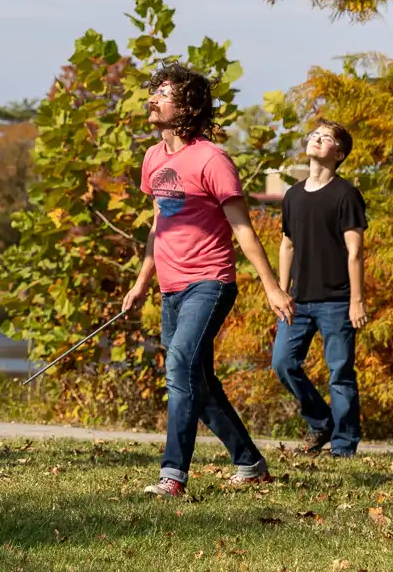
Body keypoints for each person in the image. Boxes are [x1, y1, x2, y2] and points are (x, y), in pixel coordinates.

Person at [120, 63, 294, 498]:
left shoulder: (212, 158)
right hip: (170, 287)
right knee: (197, 379)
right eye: (154, 91)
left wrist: (272, 286)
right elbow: (157, 224)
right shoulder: (154, 158)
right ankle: (250, 463)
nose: (153, 98)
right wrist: (141, 282)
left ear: (187, 107)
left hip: (210, 281)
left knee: (179, 365)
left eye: (164, 92)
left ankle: (172, 476)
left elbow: (243, 228)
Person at [271, 119, 368, 456]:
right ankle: (321, 420)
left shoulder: (346, 194)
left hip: (337, 301)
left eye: (326, 138)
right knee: (283, 363)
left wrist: (357, 300)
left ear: (339, 153)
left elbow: (355, 251)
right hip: (298, 300)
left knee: (340, 372)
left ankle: (343, 446)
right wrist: (281, 292)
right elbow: (287, 246)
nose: (317, 140)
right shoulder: (292, 195)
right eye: (314, 135)